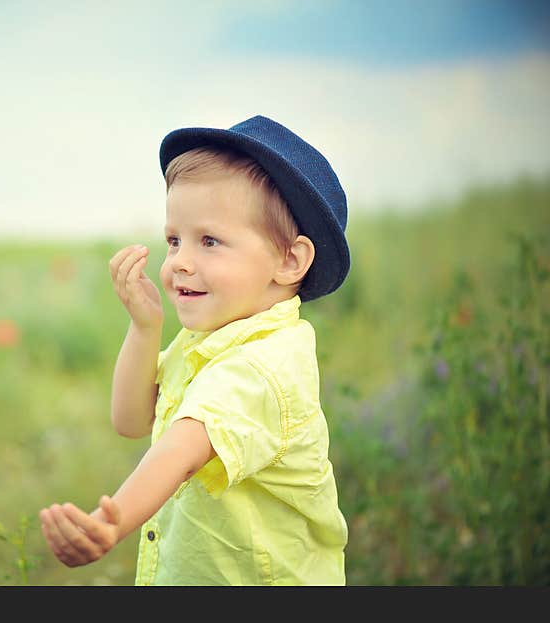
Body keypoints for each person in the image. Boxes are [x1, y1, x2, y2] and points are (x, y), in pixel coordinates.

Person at [39, 114, 350, 585]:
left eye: (209, 241)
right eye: (173, 240)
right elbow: (131, 421)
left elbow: (181, 449)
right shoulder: (211, 340)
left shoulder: (264, 365)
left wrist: (112, 521)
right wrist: (145, 329)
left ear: (289, 260)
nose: (180, 262)